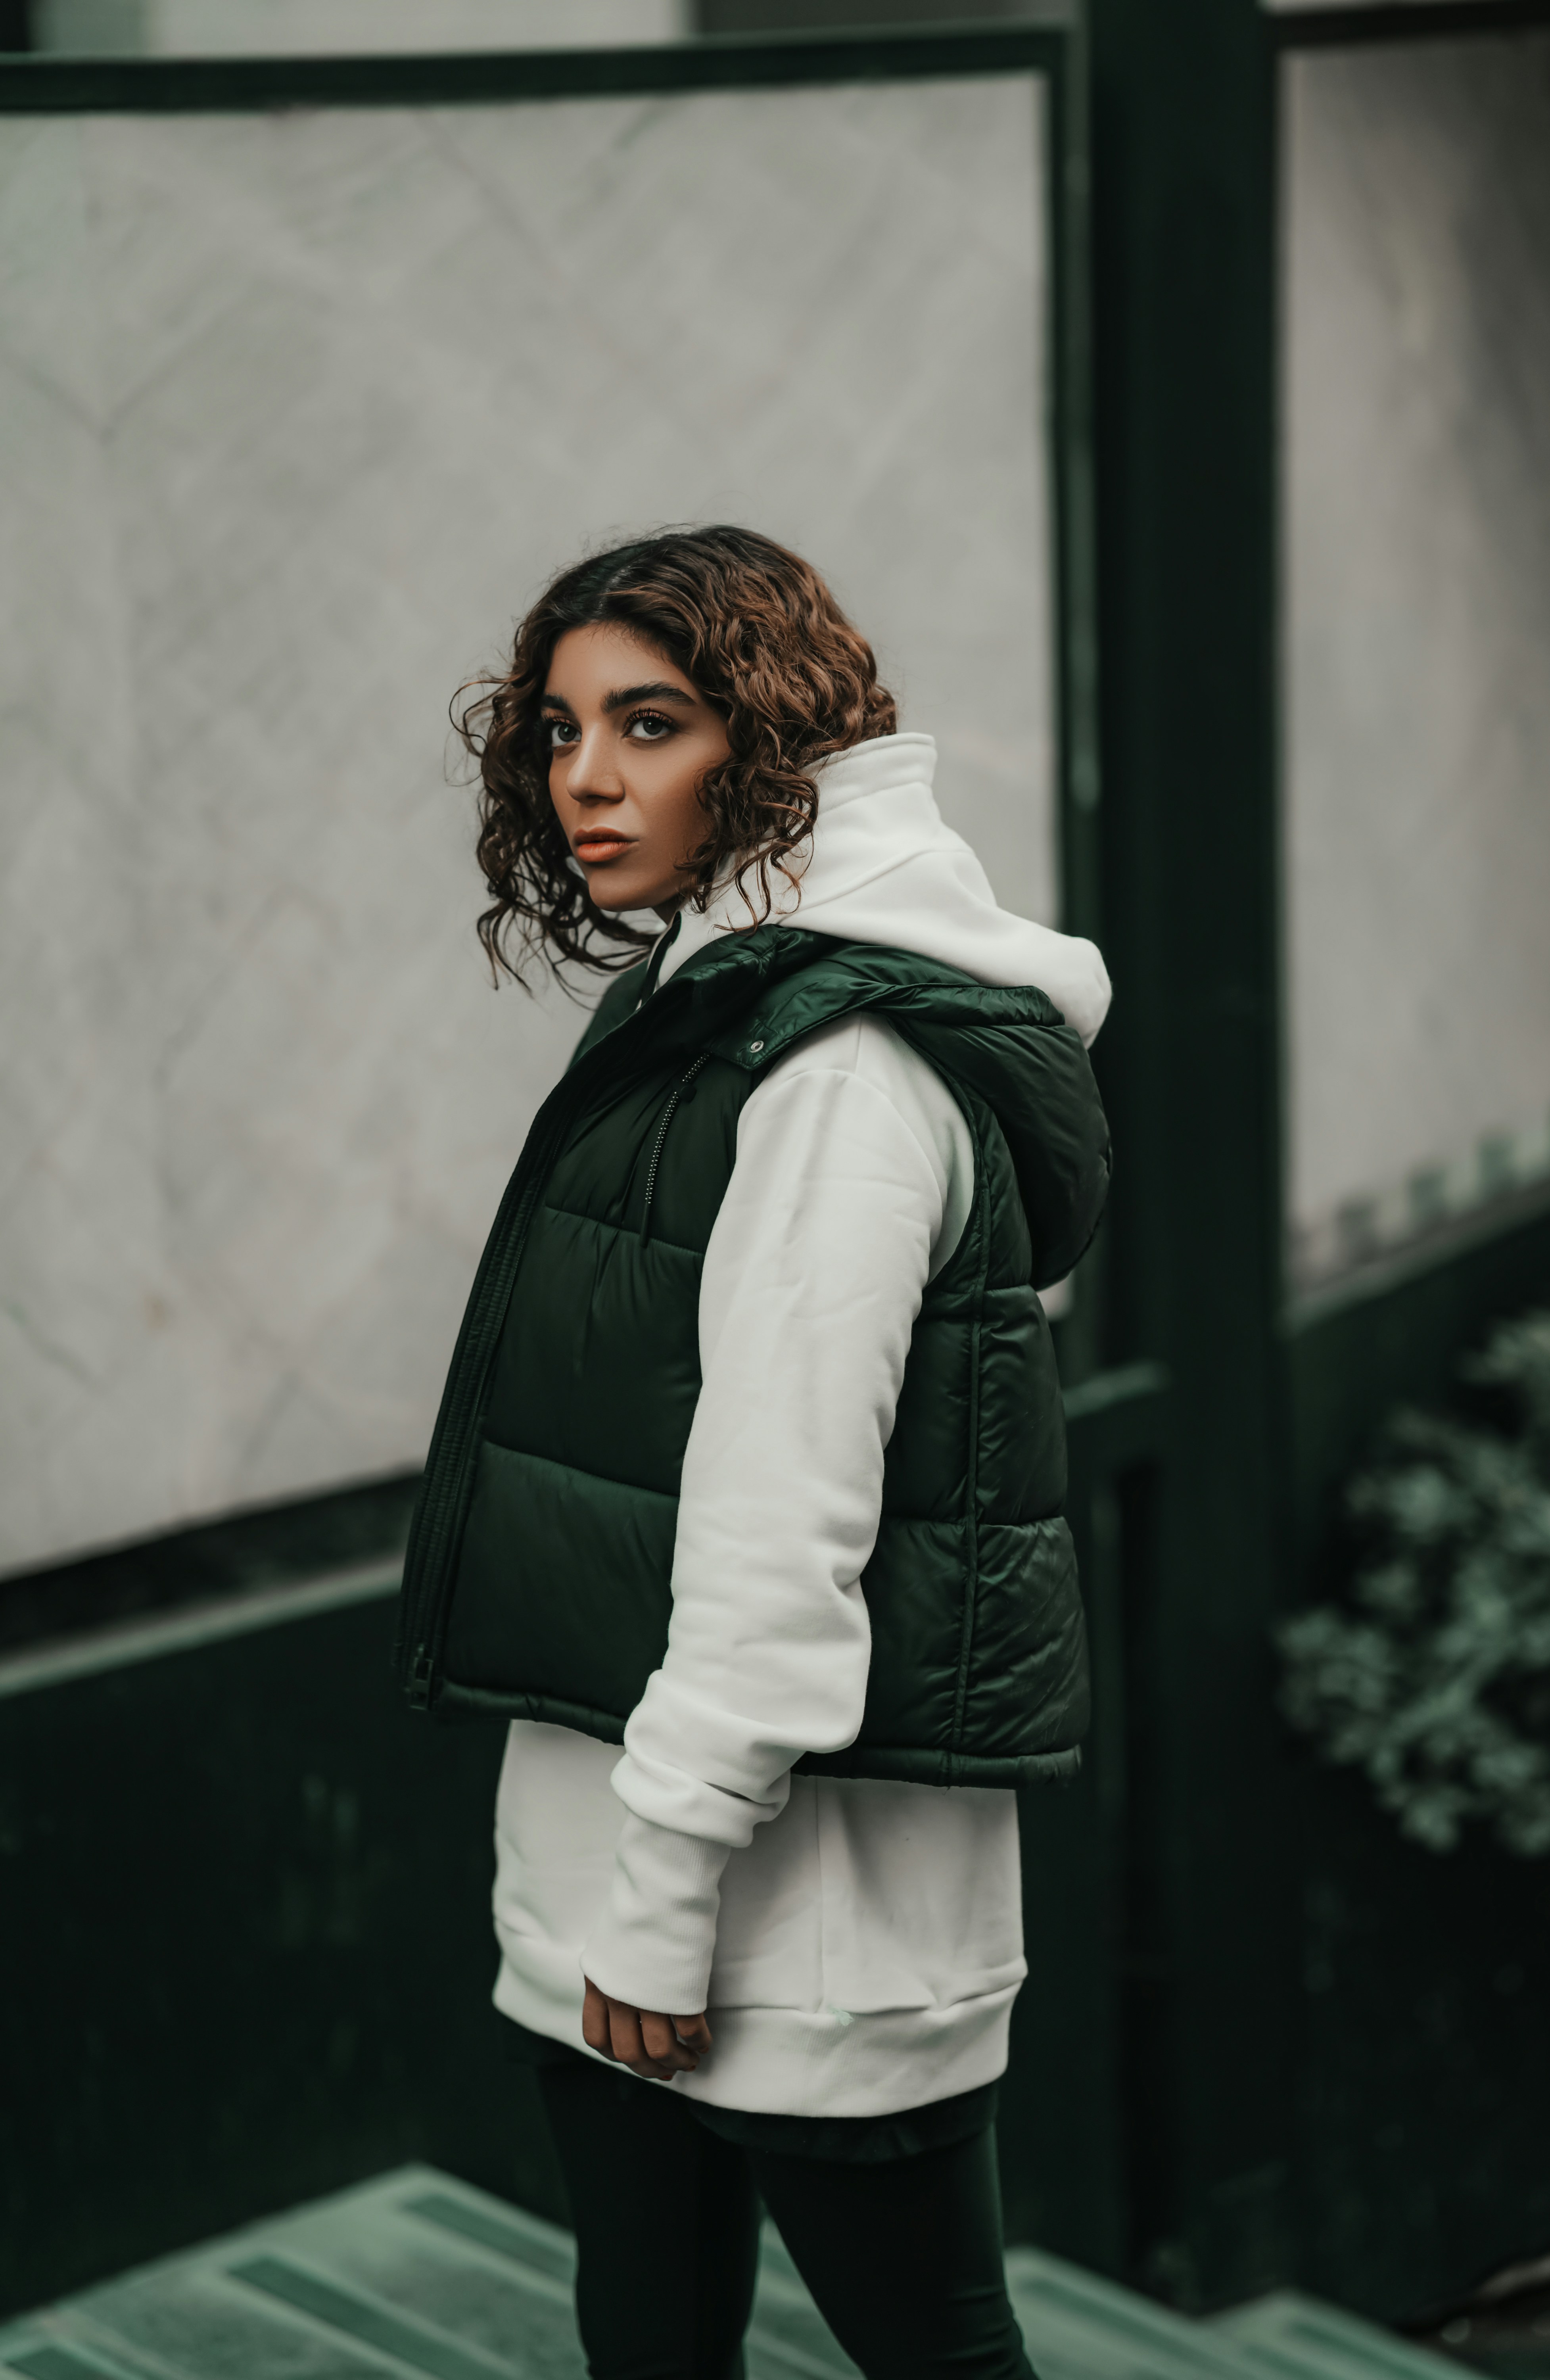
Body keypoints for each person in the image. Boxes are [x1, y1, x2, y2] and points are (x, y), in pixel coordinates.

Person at [396, 526, 1112, 2380]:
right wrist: (619, 1901)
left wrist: (662, 1904)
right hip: (619, 1870)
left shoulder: (841, 1073)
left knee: (933, 2345)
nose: (585, 781)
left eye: (648, 723)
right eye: (558, 732)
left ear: (772, 742)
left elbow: (779, 1527)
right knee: (645, 2336)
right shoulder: (710, 1000)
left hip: (793, 1919)